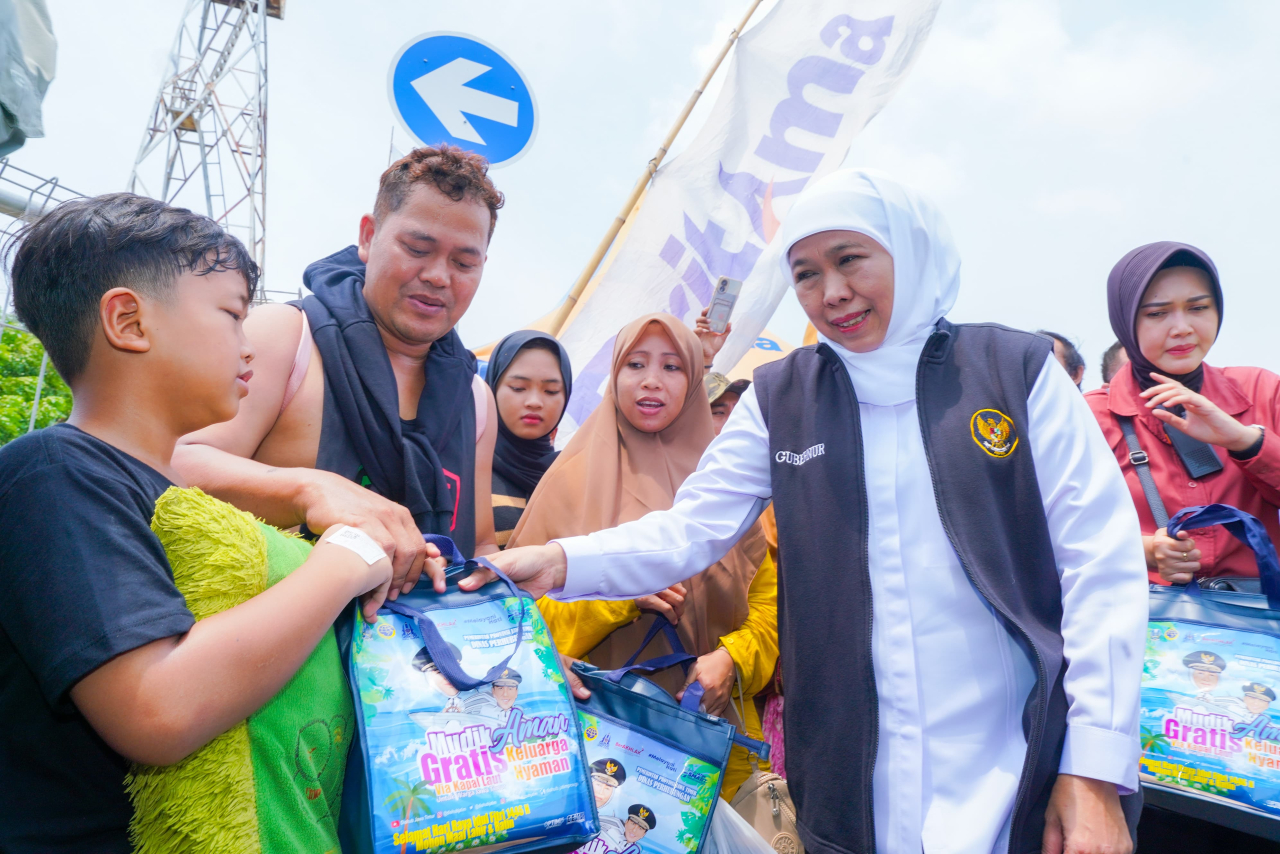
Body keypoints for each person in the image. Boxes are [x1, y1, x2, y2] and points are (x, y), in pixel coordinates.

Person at [481, 170, 1148, 854]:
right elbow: (689, 530)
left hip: (1014, 762)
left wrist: (1092, 771)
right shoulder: (782, 399)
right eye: (805, 273)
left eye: (850, 259)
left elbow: (1101, 569)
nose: (831, 293)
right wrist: (559, 561)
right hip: (850, 776)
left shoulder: (1013, 372)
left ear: (909, 250)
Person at [0, 194, 420, 853]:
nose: (248, 342)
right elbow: (156, 708)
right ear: (128, 321)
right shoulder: (54, 473)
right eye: (231, 314)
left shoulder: (185, 497)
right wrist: (340, 564)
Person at [173, 146, 501, 594]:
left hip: (420, 654)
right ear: (368, 237)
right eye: (417, 248)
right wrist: (308, 490)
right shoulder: (286, 337)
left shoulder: (477, 399)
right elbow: (173, 460)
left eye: (464, 263)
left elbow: (480, 541)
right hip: (276, 644)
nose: (439, 276)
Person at [508, 314, 777, 802]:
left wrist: (732, 660)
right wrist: (619, 594)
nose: (651, 380)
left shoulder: (729, 490)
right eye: (635, 364)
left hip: (708, 746)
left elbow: (769, 613)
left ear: (695, 381)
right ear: (615, 375)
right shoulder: (567, 481)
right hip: (585, 741)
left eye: (672, 367)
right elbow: (520, 620)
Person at [1085, 241, 1280, 584]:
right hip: (1145, 625)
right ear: (1125, 319)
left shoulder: (1260, 390)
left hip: (1259, 625)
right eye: (1157, 313)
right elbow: (1051, 529)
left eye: (1198, 308)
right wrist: (1144, 550)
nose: (1182, 328)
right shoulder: (1090, 416)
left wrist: (1245, 440)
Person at [485, 331, 572, 547]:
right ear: (492, 387)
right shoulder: (460, 471)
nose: (534, 402)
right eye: (518, 388)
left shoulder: (576, 476)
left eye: (551, 391)